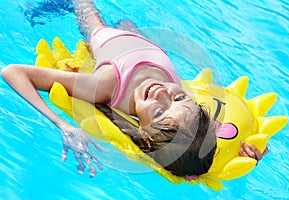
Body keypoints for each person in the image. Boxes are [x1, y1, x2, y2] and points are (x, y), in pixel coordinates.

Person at [1, 0, 266, 179]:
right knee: (126, 22)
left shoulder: (107, 87)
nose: (162, 92)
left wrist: (64, 125)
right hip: (140, 38)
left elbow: (12, 71)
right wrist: (248, 152)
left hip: (103, 36)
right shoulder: (187, 113)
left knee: (84, 7)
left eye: (160, 113)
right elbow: (212, 135)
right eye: (179, 96)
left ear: (145, 134)